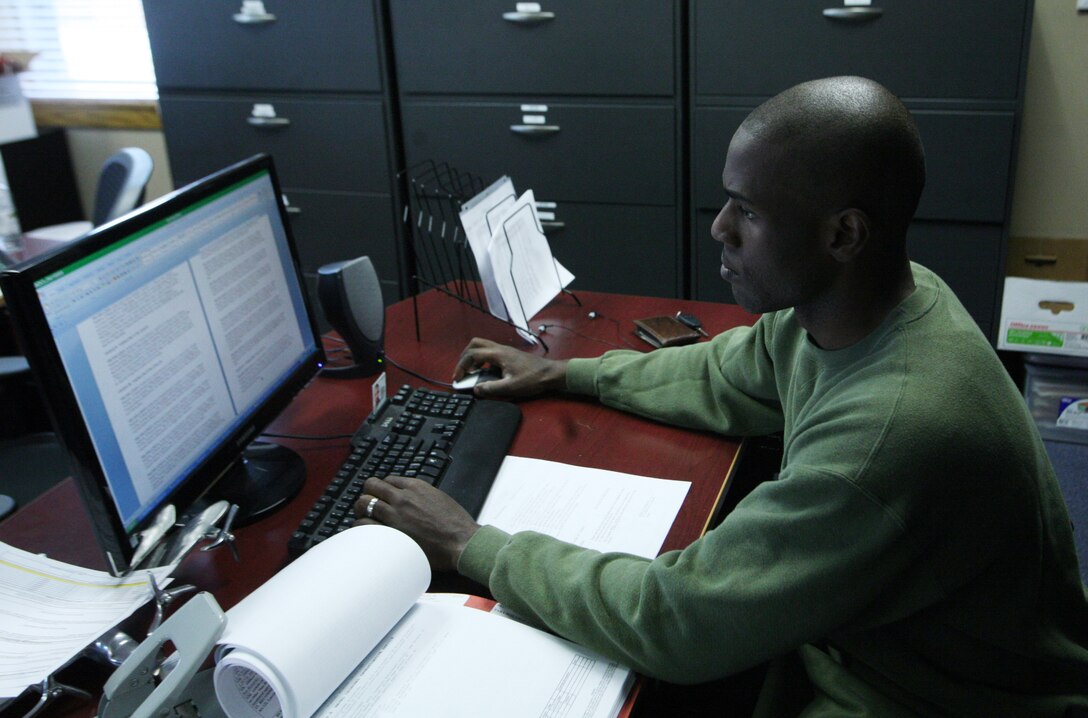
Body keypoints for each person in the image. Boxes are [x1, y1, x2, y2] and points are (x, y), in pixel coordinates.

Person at [355, 76, 1088, 715]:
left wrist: (471, 544)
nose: (719, 228)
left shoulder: (885, 439)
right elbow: (722, 372)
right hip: (875, 642)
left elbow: (674, 620)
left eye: (750, 212)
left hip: (932, 696)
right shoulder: (880, 298)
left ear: (844, 235)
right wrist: (566, 373)